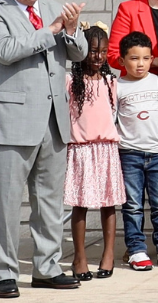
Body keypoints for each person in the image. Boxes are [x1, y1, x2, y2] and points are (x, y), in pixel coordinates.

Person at [0, 0, 91, 298]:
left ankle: (46, 268)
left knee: (50, 204)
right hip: (10, 121)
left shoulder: (55, 8)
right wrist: (52, 30)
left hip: (52, 120)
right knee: (7, 204)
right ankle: (5, 274)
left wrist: (71, 31)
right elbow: (6, 50)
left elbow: (79, 54)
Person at [112, 32, 158, 271]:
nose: (140, 64)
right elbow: (111, 121)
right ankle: (136, 250)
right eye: (134, 58)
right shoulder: (116, 86)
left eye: (146, 58)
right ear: (121, 61)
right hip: (129, 154)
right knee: (132, 205)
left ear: (152, 59)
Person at [63, 26, 123, 280]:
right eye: (92, 51)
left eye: (102, 52)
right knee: (81, 205)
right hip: (81, 150)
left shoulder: (111, 82)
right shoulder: (70, 82)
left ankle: (108, 255)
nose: (98, 57)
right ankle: (80, 258)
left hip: (107, 150)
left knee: (109, 204)